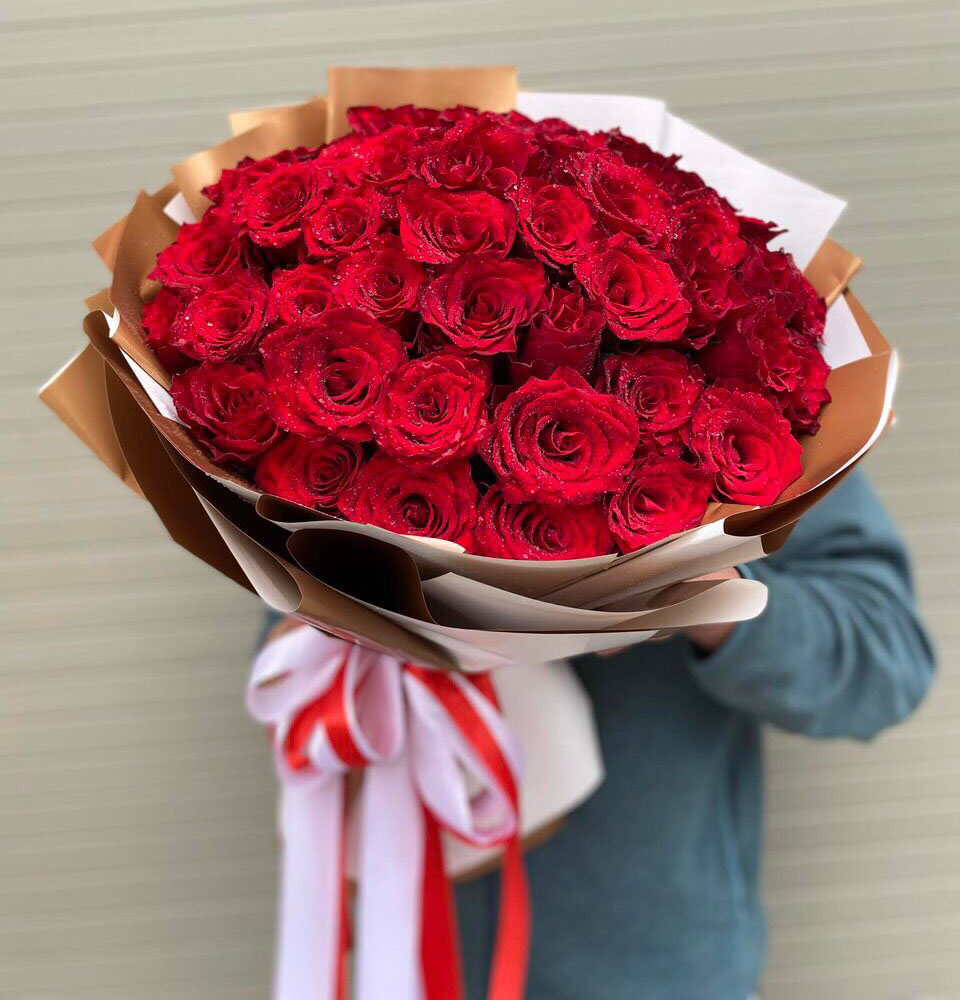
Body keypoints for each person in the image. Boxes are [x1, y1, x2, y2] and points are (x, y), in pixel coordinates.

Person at [260, 470, 934, 1000]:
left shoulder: (752, 384)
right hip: (410, 964)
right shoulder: (348, 388)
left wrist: (715, 594)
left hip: (657, 971)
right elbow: (288, 660)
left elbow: (886, 659)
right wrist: (354, 623)